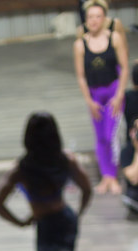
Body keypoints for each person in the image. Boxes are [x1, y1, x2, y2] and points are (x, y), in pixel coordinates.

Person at [0, 112, 92, 251]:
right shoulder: (66, 160)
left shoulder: (21, 169)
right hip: (66, 219)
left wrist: (21, 222)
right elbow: (87, 189)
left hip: (44, 223)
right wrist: (78, 214)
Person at [74, 0, 129, 194]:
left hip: (113, 92)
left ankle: (113, 176)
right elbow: (81, 76)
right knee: (100, 137)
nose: (94, 20)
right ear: (85, 19)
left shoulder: (114, 37)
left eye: (98, 16)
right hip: (95, 95)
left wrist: (119, 94)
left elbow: (124, 68)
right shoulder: (80, 44)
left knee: (110, 134)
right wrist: (89, 101)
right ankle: (106, 176)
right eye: (90, 17)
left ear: (104, 18)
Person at [121, 116, 138, 215]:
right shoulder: (127, 151)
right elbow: (134, 179)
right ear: (132, 132)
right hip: (135, 195)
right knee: (131, 195)